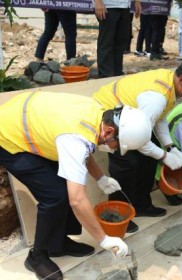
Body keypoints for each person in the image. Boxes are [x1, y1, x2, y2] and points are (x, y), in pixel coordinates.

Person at [0, 91, 152, 280]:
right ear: (110, 132)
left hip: (34, 124)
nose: (114, 149)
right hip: (8, 137)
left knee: (66, 184)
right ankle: (36, 257)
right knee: (55, 195)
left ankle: (59, 244)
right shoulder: (74, 139)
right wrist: (104, 239)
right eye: (117, 145)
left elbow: (84, 149)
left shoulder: (98, 114)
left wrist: (100, 178)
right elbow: (77, 200)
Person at [92, 53, 182, 233]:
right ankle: (117, 215)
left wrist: (170, 147)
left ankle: (142, 205)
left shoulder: (171, 86)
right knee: (127, 165)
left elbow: (160, 119)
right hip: (111, 119)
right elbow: (142, 141)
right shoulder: (156, 97)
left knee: (148, 160)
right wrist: (165, 156)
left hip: (133, 118)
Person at [94, 0, 141, 78]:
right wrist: (98, 1)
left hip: (125, 6)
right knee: (106, 42)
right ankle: (105, 76)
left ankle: (117, 74)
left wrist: (137, 1)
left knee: (121, 41)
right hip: (107, 6)